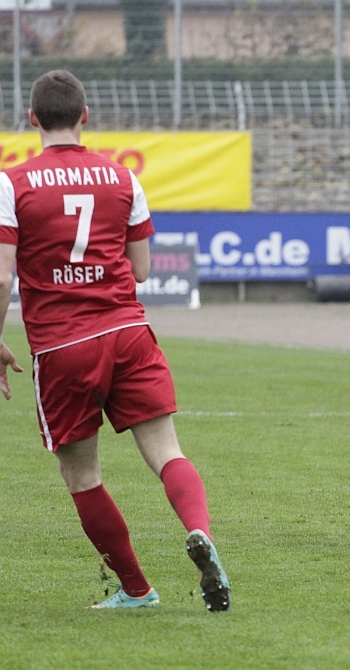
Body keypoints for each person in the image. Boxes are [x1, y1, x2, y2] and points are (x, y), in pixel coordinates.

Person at [0, 70, 230, 611]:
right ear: (85, 116)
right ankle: (201, 532)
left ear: (32, 119)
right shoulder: (124, 179)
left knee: (82, 474)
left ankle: (137, 590)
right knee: (167, 452)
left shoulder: (13, 183)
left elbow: (2, 276)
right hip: (127, 333)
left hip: (62, 346)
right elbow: (143, 269)